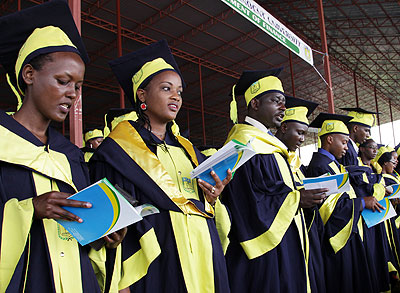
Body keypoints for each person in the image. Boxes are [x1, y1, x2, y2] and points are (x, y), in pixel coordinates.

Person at [0, 1, 125, 292]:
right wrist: (29, 209)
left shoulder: (70, 155)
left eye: (78, 86)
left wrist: (103, 236)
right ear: (29, 75)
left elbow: (81, 230)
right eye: (63, 81)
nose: (72, 94)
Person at [89, 39, 232, 292]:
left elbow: (204, 206)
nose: (176, 96)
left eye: (179, 91)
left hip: (203, 250)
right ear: (141, 95)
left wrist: (212, 195)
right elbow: (116, 224)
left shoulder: (188, 150)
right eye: (166, 88)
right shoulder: (116, 152)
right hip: (156, 258)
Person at [222, 69, 327, 292]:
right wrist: (296, 200)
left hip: (285, 237)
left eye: (284, 102)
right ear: (256, 104)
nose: (283, 108)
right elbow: (246, 200)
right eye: (276, 101)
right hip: (264, 248)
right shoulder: (244, 144)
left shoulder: (270, 145)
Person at [306, 112, 384, 293]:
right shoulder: (320, 165)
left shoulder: (332, 164)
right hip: (336, 235)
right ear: (330, 139)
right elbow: (328, 210)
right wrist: (362, 203)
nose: (347, 147)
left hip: (348, 228)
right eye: (344, 142)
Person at [275, 96, 326, 293]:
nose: (303, 139)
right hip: (283, 238)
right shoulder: (271, 156)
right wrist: (298, 199)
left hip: (303, 231)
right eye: (299, 133)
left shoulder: (294, 162)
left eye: (305, 134)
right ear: (284, 127)